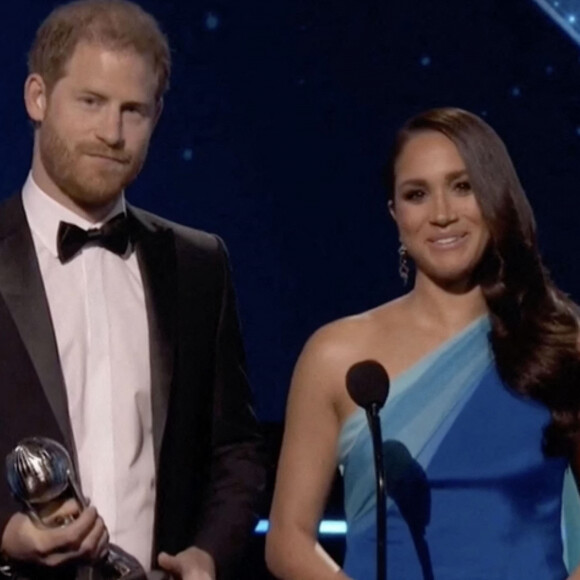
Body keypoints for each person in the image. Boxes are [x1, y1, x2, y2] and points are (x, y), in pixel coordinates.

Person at [0, 1, 264, 579]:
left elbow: (236, 452)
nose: (112, 133)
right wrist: (5, 532)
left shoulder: (199, 265)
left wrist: (207, 553)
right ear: (37, 98)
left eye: (133, 110)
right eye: (91, 102)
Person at [265, 107, 580, 579]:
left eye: (463, 186)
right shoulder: (337, 356)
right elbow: (288, 540)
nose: (442, 215)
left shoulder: (560, 344)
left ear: (495, 197)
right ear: (395, 213)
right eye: (417, 194)